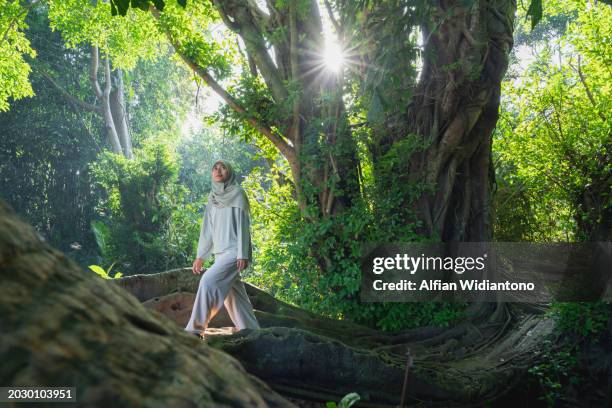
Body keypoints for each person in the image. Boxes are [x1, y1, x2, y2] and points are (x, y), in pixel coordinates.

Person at [184, 159, 260, 339]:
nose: (218, 171)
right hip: (220, 254)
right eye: (215, 168)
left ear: (229, 172)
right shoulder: (212, 198)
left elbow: (243, 226)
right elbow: (208, 229)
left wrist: (242, 253)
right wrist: (201, 255)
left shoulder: (238, 193)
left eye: (223, 167)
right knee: (235, 298)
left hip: (234, 252)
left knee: (208, 281)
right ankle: (253, 332)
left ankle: (195, 330)